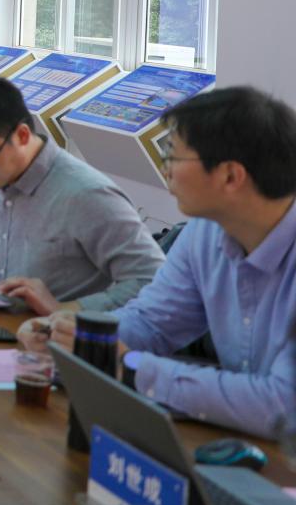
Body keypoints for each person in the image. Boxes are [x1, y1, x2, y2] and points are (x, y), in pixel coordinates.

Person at [60, 87, 296, 438]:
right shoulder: (205, 233)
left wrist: (133, 366)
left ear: (231, 176)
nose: (164, 169)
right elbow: (152, 322)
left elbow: (283, 405)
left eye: (171, 156)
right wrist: (82, 340)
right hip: (244, 441)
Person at [0, 76, 162, 315]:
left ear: (22, 135)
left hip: (59, 339)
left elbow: (151, 280)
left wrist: (64, 310)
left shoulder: (87, 195)